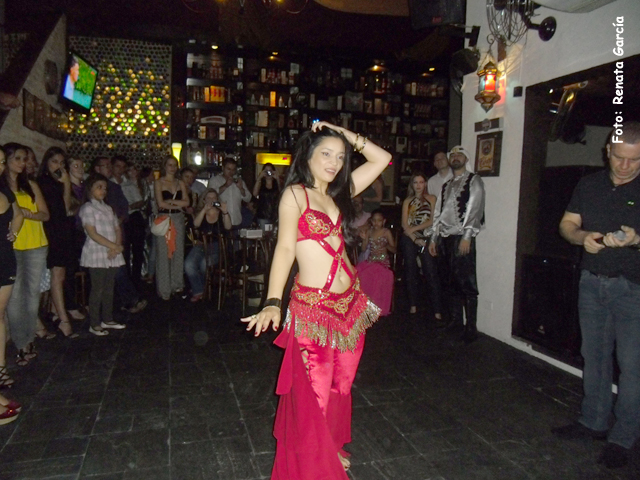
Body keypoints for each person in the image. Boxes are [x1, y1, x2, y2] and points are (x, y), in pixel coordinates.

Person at [241, 121, 390, 478]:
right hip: (313, 309)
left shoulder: (341, 192)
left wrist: (340, 132)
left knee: (342, 385)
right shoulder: (295, 195)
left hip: (351, 305)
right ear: (307, 156)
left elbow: (382, 159)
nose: (334, 162)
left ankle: (330, 445)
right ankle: (314, 461)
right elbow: (285, 249)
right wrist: (272, 301)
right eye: (326, 153)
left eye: (340, 157)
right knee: (316, 392)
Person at [552, 122, 640, 469]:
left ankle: (623, 437)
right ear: (608, 152)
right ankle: (593, 421)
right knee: (595, 356)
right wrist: (582, 237)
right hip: (591, 283)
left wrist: (636, 240)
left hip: (633, 289)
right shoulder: (588, 184)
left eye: (634, 160)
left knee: (632, 367)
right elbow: (566, 225)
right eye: (619, 157)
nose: (625, 166)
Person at [428, 146, 485, 343]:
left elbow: (475, 208)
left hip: (462, 237)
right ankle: (455, 321)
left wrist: (467, 236)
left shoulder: (474, 180)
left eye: (459, 154)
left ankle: (471, 328)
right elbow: (438, 214)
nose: (455, 157)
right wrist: (434, 238)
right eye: (452, 155)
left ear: (466, 158)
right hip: (445, 239)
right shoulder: (446, 185)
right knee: (449, 282)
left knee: (467, 283)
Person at [1, 144, 52, 361]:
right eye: (18, 158)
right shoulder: (2, 188)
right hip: (11, 246)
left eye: (25, 159)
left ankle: (28, 340)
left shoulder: (30, 185)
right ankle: (21, 343)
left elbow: (45, 215)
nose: (23, 163)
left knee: (31, 295)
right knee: (14, 297)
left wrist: (28, 214)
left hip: (35, 244)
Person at [37, 147, 79, 339]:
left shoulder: (58, 181)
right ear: (46, 162)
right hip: (52, 230)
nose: (58, 166)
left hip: (62, 229)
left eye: (62, 163)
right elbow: (61, 208)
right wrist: (66, 183)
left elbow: (68, 207)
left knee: (60, 274)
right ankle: (63, 320)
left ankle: (56, 313)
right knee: (57, 274)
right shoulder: (43, 182)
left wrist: (66, 183)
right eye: (54, 162)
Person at [79, 174, 127, 335]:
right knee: (97, 288)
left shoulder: (108, 208)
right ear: (90, 189)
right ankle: (94, 322)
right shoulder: (87, 208)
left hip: (112, 252)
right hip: (97, 252)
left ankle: (107, 318)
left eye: (105, 188)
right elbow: (92, 233)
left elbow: (117, 228)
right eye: (99, 187)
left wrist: (116, 247)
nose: (103, 191)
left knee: (109, 287)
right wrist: (114, 246)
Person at [401, 173, 441, 318]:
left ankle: (437, 309)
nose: (418, 185)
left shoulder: (432, 198)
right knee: (410, 270)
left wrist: (414, 230)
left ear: (425, 184)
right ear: (412, 184)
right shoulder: (408, 201)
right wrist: (414, 238)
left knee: (430, 271)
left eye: (421, 182)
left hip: (426, 235)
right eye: (415, 182)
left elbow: (432, 220)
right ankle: (413, 304)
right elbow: (404, 223)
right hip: (410, 237)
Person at [0, 146, 24, 387]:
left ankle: (1, 369)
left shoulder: (4, 189)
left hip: (5, 256)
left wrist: (13, 233)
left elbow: (18, 215)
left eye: (0, 162)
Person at [184, 189, 231, 302]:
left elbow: (228, 227)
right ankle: (199, 290)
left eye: (214, 198)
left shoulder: (221, 213)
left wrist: (225, 212)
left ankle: (200, 290)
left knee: (204, 264)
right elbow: (196, 224)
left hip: (218, 247)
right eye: (209, 198)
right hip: (202, 245)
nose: (211, 200)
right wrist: (204, 210)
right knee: (188, 264)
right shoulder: (201, 212)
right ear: (204, 200)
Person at [154, 156, 189, 300]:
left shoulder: (180, 183)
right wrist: (176, 204)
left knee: (178, 252)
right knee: (163, 254)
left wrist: (170, 201)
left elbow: (186, 202)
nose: (172, 168)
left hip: (178, 218)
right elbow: (160, 204)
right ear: (164, 166)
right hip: (163, 219)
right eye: (170, 165)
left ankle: (177, 285)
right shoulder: (158, 182)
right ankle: (164, 290)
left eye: (175, 165)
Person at [113, 156, 145, 287]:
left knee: (138, 250)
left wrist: (129, 207)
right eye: (118, 166)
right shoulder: (109, 183)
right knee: (123, 251)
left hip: (133, 217)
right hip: (119, 219)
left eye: (123, 167)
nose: (120, 169)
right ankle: (124, 282)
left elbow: (140, 201)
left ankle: (136, 280)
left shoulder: (129, 184)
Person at [356, 209, 395, 316]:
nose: (376, 223)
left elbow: (394, 249)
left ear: (384, 221)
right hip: (371, 260)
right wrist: (364, 239)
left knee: (377, 274)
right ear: (371, 221)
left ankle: (377, 305)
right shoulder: (369, 232)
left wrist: (386, 246)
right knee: (361, 273)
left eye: (379, 220)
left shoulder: (386, 232)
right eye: (374, 220)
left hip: (382, 261)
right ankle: (365, 304)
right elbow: (363, 249)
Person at [207, 158, 251, 227]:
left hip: (237, 220)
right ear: (223, 168)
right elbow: (209, 197)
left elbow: (248, 199)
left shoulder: (239, 181)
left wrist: (241, 188)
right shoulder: (214, 181)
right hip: (220, 222)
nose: (231, 172)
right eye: (228, 169)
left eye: (233, 169)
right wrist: (225, 185)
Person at [252, 163, 280, 230]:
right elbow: (254, 194)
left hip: (274, 215)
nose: (268, 173)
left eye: (270, 171)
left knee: (274, 234)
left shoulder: (276, 184)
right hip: (262, 215)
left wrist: (278, 179)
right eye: (266, 171)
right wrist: (259, 178)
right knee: (263, 234)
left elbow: (282, 193)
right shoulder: (261, 183)